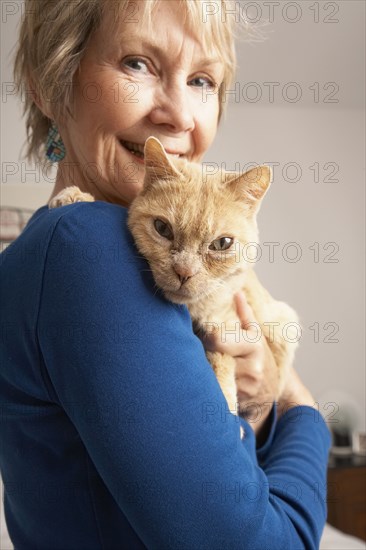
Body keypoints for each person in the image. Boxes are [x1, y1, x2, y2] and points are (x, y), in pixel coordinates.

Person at [0, 0, 330, 548]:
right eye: (137, 63)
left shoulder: (38, 249)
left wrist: (256, 407)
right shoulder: (91, 246)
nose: (180, 115)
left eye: (203, 80)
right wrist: (302, 408)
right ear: (49, 80)